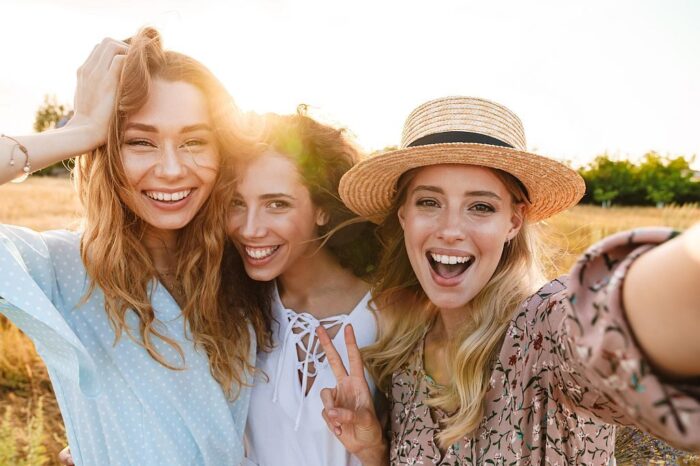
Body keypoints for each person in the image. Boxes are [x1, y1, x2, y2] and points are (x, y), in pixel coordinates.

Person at [317, 96, 700, 464]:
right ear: (404, 217)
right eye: (429, 202)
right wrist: (374, 453)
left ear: (513, 222)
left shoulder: (541, 329)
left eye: (480, 206)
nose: (450, 230)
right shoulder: (404, 358)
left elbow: (617, 314)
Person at [0, 28, 265, 465]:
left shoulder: (248, 269)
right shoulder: (64, 270)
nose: (172, 169)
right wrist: (80, 128)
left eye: (195, 141)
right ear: (106, 150)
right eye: (140, 141)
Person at [226, 110, 381, 466]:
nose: (249, 229)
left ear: (323, 209)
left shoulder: (387, 316)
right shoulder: (233, 311)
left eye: (276, 204)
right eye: (237, 203)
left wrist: (376, 452)